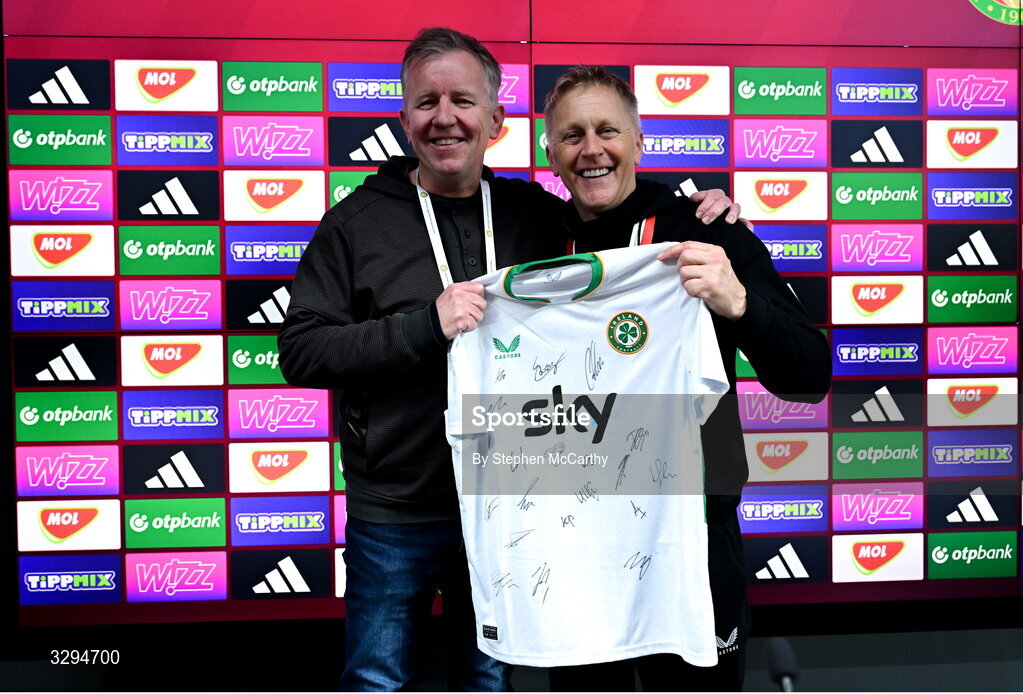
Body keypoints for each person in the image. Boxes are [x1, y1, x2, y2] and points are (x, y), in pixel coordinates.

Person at [278, 28, 741, 691]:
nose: (444, 117)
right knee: (377, 679)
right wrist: (421, 328)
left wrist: (697, 209)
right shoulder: (355, 223)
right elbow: (300, 351)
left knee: (488, 682)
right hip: (399, 509)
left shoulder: (536, 216)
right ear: (403, 116)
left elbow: (614, 211)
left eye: (462, 100)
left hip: (515, 504)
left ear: (495, 120)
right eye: (426, 101)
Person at [541, 66, 831, 691]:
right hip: (573, 540)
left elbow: (810, 374)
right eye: (572, 135)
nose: (591, 149)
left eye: (608, 131)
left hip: (692, 531)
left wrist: (740, 304)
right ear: (550, 153)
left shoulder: (706, 228)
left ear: (639, 142)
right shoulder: (532, 239)